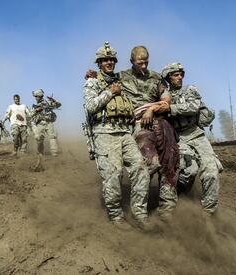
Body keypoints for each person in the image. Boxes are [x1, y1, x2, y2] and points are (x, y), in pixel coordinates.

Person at [86, 46, 179, 219]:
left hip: (159, 121)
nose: (144, 66)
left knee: (170, 163)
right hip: (135, 125)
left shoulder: (156, 78)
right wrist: (93, 75)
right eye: (140, 62)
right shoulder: (120, 77)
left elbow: (166, 100)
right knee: (148, 164)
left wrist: (152, 109)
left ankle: (154, 212)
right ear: (131, 61)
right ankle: (126, 210)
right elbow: (102, 85)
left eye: (146, 62)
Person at [83, 42, 150, 230]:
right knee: (113, 175)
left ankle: (140, 213)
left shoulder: (121, 80)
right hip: (104, 133)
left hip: (125, 132)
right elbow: (90, 106)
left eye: (112, 59)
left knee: (140, 169)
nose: (109, 62)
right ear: (99, 62)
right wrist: (109, 92)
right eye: (105, 59)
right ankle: (116, 216)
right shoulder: (92, 82)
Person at [161, 62, 222, 214]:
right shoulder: (163, 95)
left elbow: (194, 106)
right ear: (168, 77)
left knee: (211, 171)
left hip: (197, 134)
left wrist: (171, 108)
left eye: (181, 74)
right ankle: (181, 196)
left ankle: (209, 211)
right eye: (176, 75)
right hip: (178, 138)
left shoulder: (190, 90)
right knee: (189, 171)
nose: (180, 77)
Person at [30, 89, 61, 156]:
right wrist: (36, 110)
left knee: (52, 137)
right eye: (35, 96)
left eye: (37, 96)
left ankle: (54, 152)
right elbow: (31, 115)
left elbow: (58, 105)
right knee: (39, 139)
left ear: (40, 96)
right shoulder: (35, 106)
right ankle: (40, 153)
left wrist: (53, 100)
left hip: (48, 122)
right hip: (40, 124)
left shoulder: (47, 103)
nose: (36, 98)